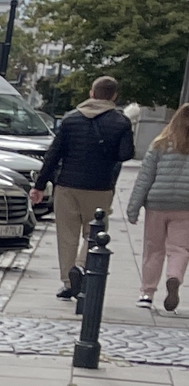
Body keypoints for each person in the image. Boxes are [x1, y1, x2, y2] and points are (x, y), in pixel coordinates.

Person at [34, 75, 135, 297]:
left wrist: (39, 185)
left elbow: (53, 154)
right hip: (100, 187)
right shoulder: (120, 122)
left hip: (67, 185)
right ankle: (80, 266)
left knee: (66, 235)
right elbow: (126, 154)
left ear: (91, 93)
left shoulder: (71, 120)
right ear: (114, 96)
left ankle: (69, 281)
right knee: (94, 232)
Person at [127, 104, 189, 312]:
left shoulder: (160, 144)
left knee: (153, 249)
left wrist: (134, 208)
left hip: (157, 202)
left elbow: (145, 178)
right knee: (179, 249)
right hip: (185, 205)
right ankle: (174, 277)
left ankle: (146, 293)